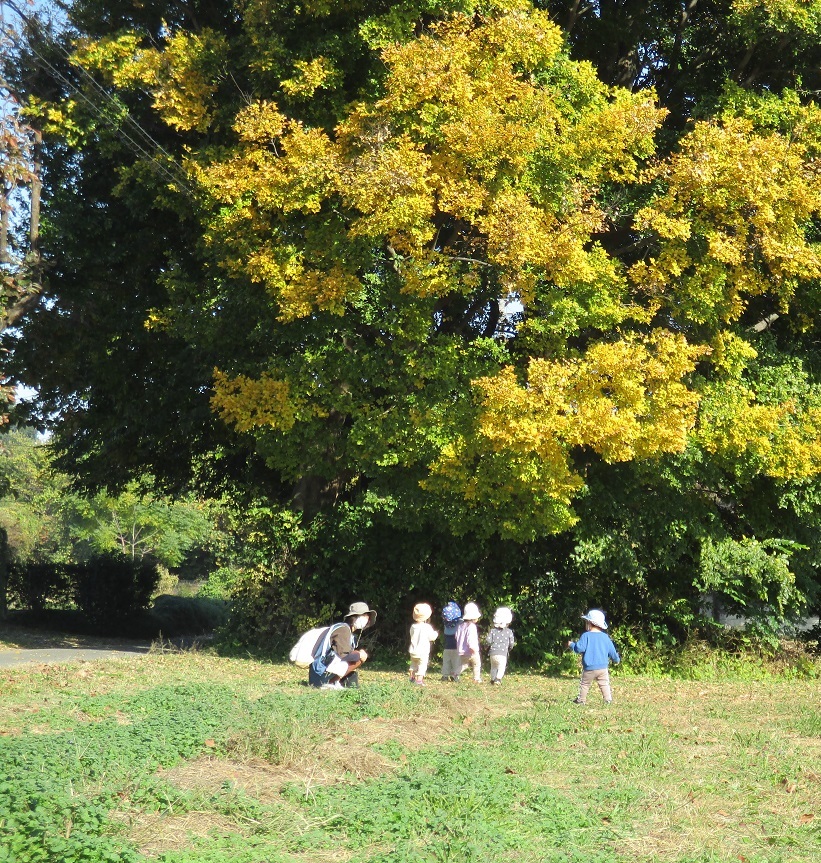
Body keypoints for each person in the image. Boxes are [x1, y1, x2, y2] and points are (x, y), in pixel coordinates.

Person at [308, 601, 377, 689]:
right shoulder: (343, 630)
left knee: (357, 658)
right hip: (320, 674)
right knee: (359, 657)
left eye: (367, 616)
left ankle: (334, 681)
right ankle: (329, 683)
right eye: (363, 616)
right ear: (354, 617)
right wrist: (360, 654)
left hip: (321, 671)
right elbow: (344, 655)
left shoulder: (347, 631)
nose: (366, 619)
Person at [567, 608, 620, 704]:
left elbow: (579, 648)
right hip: (603, 668)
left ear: (589, 623)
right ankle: (607, 700)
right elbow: (612, 651)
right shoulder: (605, 637)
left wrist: (571, 645)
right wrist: (616, 659)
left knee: (585, 684)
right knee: (604, 684)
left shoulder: (586, 635)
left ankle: (581, 700)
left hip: (589, 668)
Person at [408, 602, 438, 685]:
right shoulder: (427, 627)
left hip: (413, 650)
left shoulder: (413, 626)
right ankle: (419, 680)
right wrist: (436, 633)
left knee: (413, 664)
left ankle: (412, 678)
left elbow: (411, 635)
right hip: (423, 652)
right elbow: (432, 637)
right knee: (422, 666)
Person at [486, 606, 515, 685]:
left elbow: (488, 640)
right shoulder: (509, 632)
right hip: (502, 654)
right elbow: (511, 643)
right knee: (501, 667)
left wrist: (489, 645)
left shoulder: (492, 631)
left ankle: (492, 679)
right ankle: (498, 679)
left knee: (493, 667)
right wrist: (509, 649)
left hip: (492, 653)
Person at [455, 601, 482, 683]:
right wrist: (472, 648)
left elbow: (457, 636)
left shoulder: (460, 626)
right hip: (471, 650)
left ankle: (455, 673)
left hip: (463, 651)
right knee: (477, 664)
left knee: (464, 665)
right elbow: (471, 639)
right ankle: (476, 678)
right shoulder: (472, 627)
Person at [440, 601, 462, 682]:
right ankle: (455, 676)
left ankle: (445, 676)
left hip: (447, 648)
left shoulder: (446, 624)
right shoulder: (460, 623)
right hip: (456, 648)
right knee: (456, 663)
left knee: (446, 662)